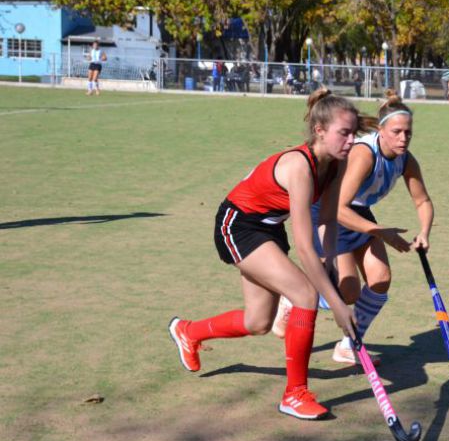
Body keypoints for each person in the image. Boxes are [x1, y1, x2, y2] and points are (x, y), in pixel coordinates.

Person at [167, 89, 361, 421]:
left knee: (258, 322)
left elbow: (327, 220)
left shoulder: (336, 165)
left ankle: (189, 331)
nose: (351, 139)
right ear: (319, 130)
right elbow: (303, 247)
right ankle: (295, 394)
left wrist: (330, 261)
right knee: (304, 294)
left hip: (268, 228)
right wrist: (338, 305)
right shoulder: (299, 166)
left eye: (354, 132)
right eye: (344, 132)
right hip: (237, 224)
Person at [273, 90, 434, 366]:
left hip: (358, 213)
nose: (403, 138)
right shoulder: (364, 154)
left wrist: (424, 231)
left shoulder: (406, 160)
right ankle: (292, 298)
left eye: (408, 133)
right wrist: (379, 231)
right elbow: (336, 208)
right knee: (348, 291)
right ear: (381, 130)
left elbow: (423, 200)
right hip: (327, 212)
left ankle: (348, 345)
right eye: (396, 131)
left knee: (380, 278)